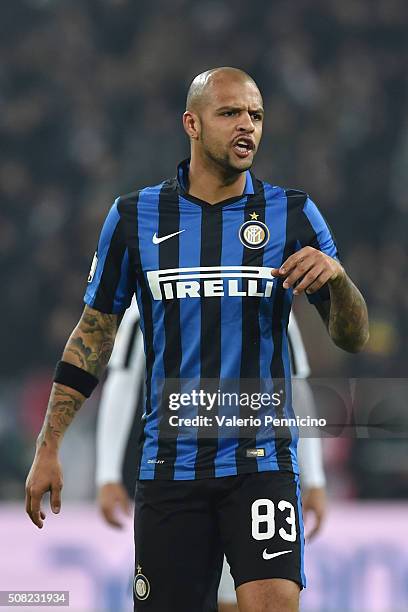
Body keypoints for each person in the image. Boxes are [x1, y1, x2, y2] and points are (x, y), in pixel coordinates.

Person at [25, 67, 369, 612]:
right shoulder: (134, 216)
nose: (246, 127)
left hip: (263, 462)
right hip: (170, 466)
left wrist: (340, 280)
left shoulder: (295, 215)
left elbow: (353, 337)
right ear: (191, 123)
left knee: (274, 603)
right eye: (230, 113)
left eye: (256, 116)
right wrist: (49, 447)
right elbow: (93, 337)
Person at [95, 300, 327, 612]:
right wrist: (107, 474)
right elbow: (122, 380)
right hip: (177, 475)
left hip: (251, 471)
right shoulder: (153, 286)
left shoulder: (265, 284)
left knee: (239, 598)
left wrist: (315, 477)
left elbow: (295, 386)